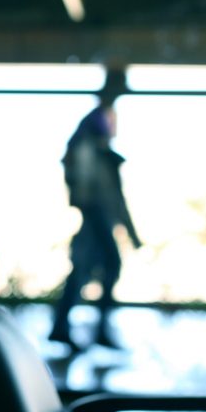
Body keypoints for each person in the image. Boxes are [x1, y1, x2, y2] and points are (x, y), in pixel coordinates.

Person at [49, 68, 141, 350]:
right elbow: (78, 161)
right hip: (95, 207)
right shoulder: (95, 123)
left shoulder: (101, 121)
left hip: (96, 206)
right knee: (106, 264)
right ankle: (80, 328)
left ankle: (65, 327)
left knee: (86, 266)